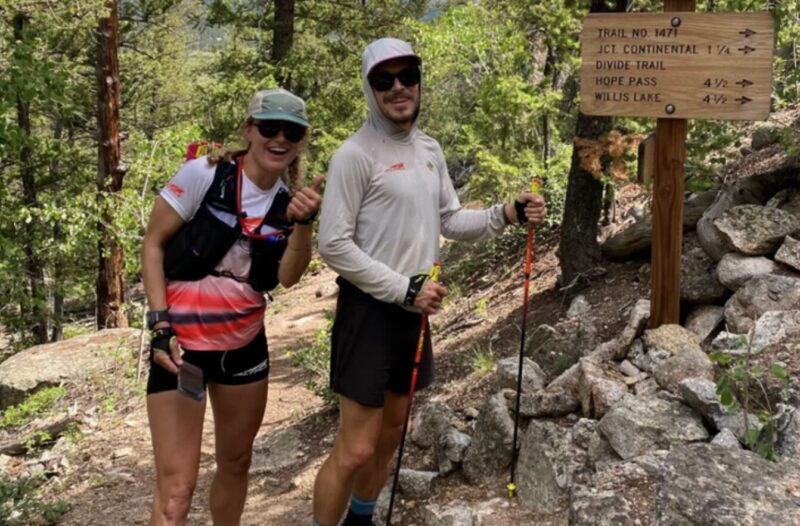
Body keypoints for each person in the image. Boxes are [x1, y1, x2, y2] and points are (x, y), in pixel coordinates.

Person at [312, 38, 546, 526]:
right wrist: (403, 288)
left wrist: (507, 213)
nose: (398, 88)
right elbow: (333, 245)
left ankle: (361, 518)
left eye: (407, 77)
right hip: (370, 310)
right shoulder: (354, 155)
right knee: (355, 448)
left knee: (393, 431)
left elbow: (451, 219)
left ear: (419, 82)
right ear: (370, 88)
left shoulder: (429, 149)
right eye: (384, 80)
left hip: (414, 310)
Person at [141, 88, 323, 526]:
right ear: (249, 129)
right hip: (180, 351)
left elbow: (286, 278)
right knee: (176, 490)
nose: (280, 138)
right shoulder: (205, 173)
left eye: (292, 131)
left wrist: (304, 226)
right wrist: (159, 323)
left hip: (244, 351)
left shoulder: (290, 203)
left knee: (236, 463)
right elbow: (152, 243)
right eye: (269, 127)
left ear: (300, 140)